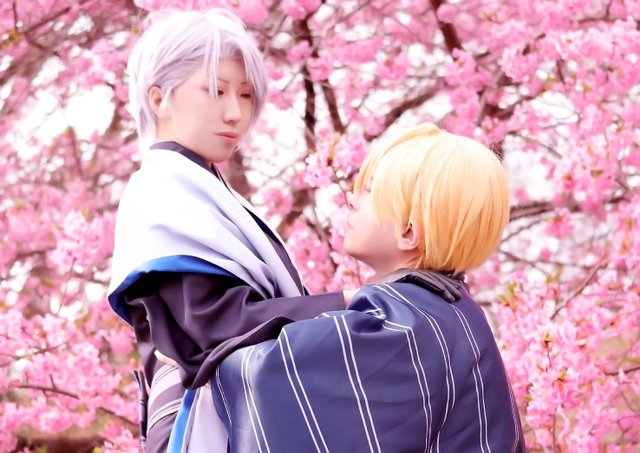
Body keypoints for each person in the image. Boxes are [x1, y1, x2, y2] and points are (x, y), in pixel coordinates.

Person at [167, 123, 526, 451]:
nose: (351, 198)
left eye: (369, 190)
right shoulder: (451, 311)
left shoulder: (398, 321)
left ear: (408, 233)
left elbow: (268, 372)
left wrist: (197, 357)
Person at [106, 9, 355, 452]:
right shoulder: (163, 190)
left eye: (245, 94)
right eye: (215, 90)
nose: (235, 113)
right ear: (159, 98)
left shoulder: (199, 186)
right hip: (199, 421)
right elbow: (215, 324)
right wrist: (344, 305)